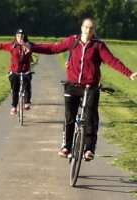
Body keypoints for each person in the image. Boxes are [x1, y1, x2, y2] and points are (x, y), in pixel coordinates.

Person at [29, 18, 137, 160]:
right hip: (72, 85)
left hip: (90, 86)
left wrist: (128, 73)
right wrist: (32, 47)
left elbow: (112, 60)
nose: (88, 30)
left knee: (90, 117)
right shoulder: (72, 41)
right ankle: (66, 146)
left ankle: (89, 149)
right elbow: (52, 48)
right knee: (70, 117)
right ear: (81, 28)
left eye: (91, 28)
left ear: (94, 31)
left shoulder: (98, 46)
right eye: (86, 27)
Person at [0, 29, 33, 115]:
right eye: (18, 36)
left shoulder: (28, 44)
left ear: (24, 36)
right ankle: (14, 107)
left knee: (27, 83)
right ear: (15, 36)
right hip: (14, 70)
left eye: (21, 36)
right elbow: (0, 46)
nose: (20, 37)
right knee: (15, 89)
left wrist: (24, 44)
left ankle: (27, 102)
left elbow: (31, 50)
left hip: (25, 70)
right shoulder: (12, 45)